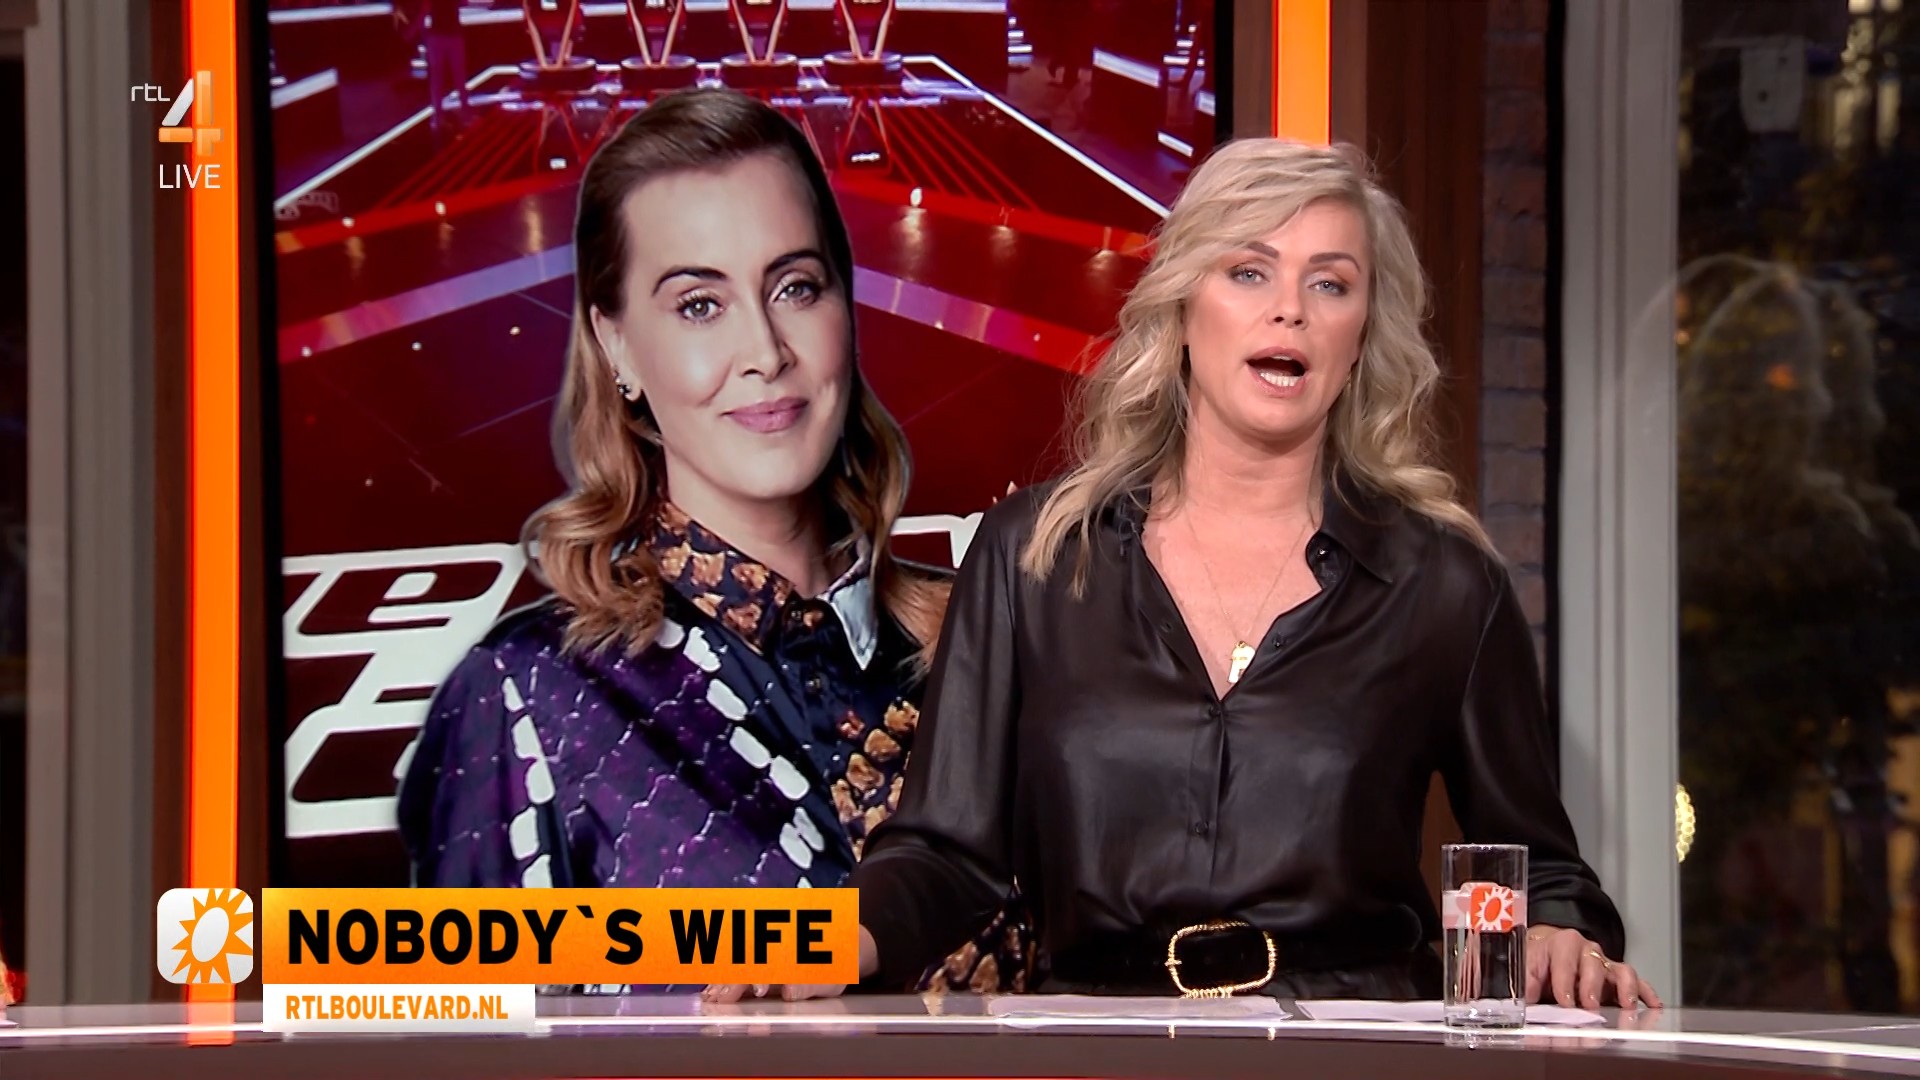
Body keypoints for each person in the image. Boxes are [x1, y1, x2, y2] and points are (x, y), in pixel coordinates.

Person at [709, 138, 1660, 1007]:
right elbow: (945, 851)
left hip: (1350, 1048)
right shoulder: (1033, 556)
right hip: (1099, 1047)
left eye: (1331, 284)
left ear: (1363, 332)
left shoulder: (1443, 584)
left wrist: (1555, 932)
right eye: (1249, 271)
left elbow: (1540, 870)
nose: (1290, 308)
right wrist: (826, 942)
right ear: (1182, 307)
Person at [398, 88, 1032, 994]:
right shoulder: (529, 699)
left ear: (844, 306)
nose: (765, 350)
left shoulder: (989, 639)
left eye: (795, 288)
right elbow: (460, 1042)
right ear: (616, 344)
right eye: (700, 305)